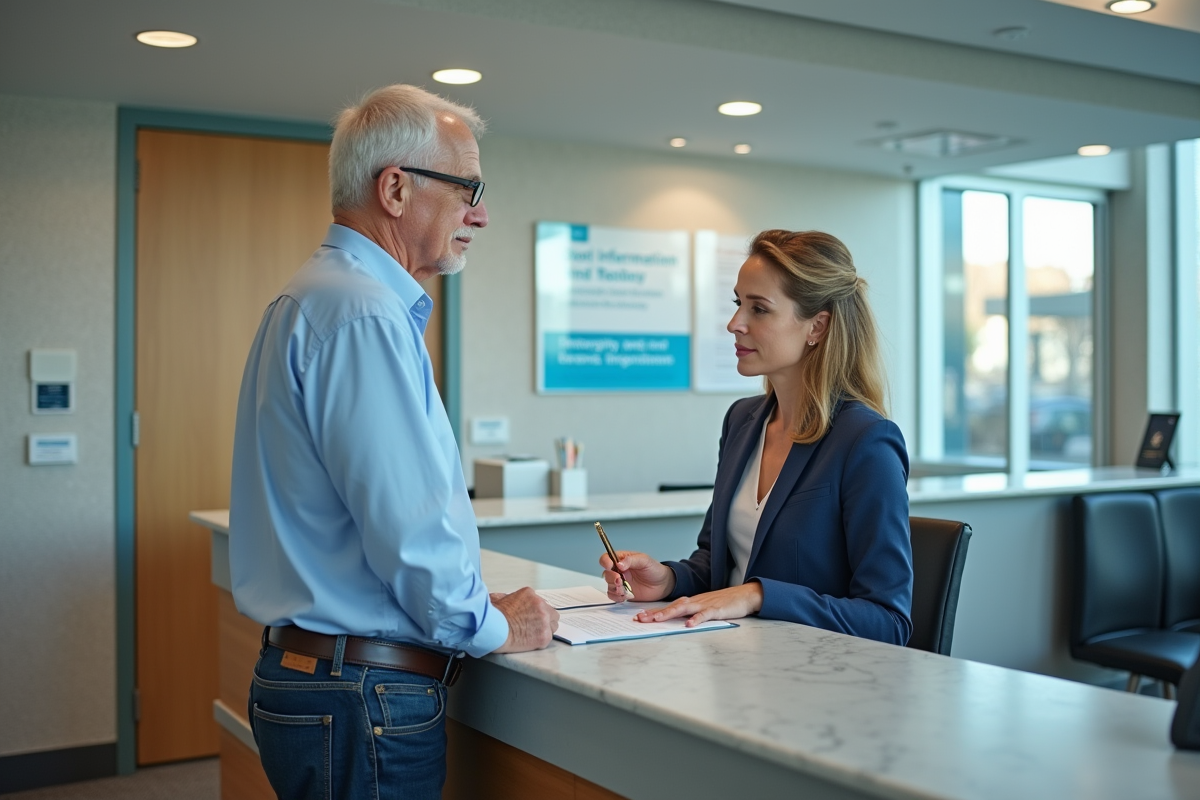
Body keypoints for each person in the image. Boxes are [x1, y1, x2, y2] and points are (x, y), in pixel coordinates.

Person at [228, 84, 558, 800]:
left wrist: (466, 601)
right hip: (363, 695)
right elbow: (408, 530)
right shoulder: (362, 315)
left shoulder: (315, 297)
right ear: (396, 189)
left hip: (327, 680)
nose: (482, 212)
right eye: (468, 186)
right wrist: (495, 625)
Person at [601, 230, 913, 645]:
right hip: (730, 663)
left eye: (759, 309)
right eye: (738, 304)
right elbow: (719, 563)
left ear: (817, 326)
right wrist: (669, 579)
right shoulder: (742, 421)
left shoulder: (866, 441)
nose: (735, 324)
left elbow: (888, 620)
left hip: (811, 682)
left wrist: (759, 595)